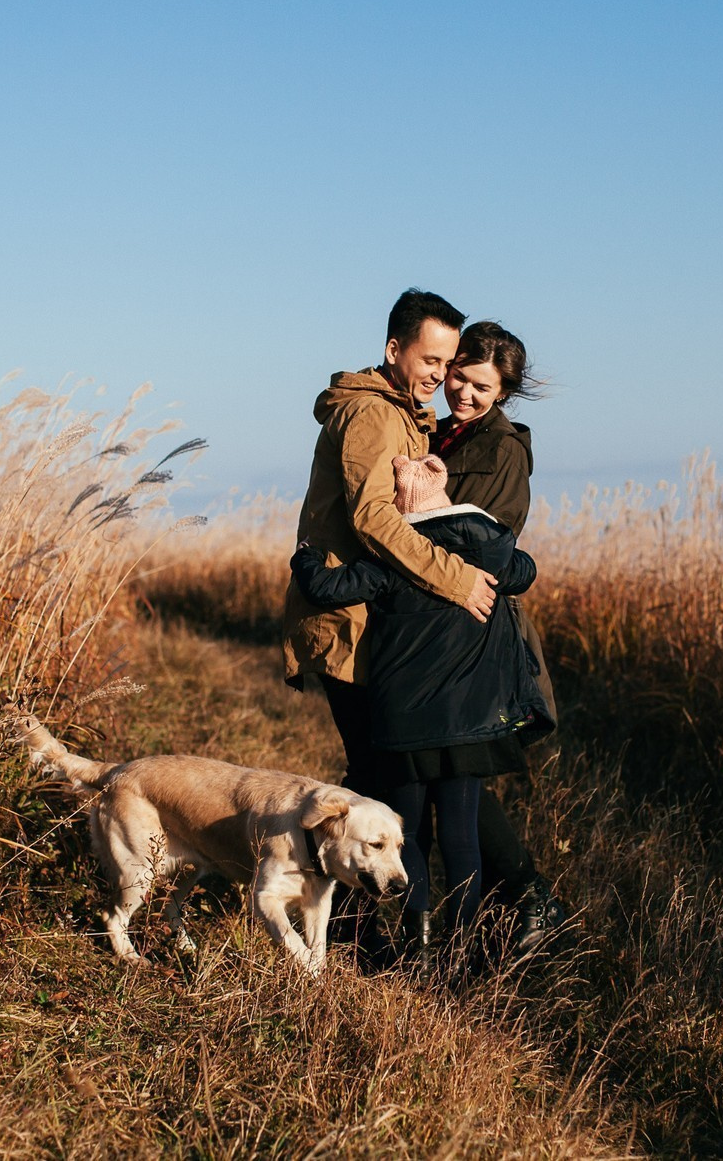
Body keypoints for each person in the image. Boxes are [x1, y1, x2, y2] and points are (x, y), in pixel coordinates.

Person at [282, 290, 497, 955]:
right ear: (394, 349)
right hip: (345, 620)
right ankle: (357, 932)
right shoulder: (375, 416)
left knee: (377, 781)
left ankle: (357, 928)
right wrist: (457, 577)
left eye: (446, 360)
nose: (437, 372)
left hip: (371, 623)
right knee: (374, 783)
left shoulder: (408, 413)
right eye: (428, 357)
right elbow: (376, 519)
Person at [290, 454, 549, 946]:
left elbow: (324, 588)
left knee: (408, 837)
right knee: (461, 836)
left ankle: (420, 945)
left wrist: (306, 550)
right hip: (470, 722)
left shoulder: (396, 558)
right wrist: (491, 544)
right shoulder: (488, 552)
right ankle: (462, 949)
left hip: (404, 724)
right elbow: (526, 571)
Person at [432, 320, 568, 949]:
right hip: (436, 619)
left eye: (483, 386)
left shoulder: (502, 449)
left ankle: (527, 896)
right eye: (461, 375)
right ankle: (507, 900)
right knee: (440, 770)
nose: (465, 391)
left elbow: (489, 539)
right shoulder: (443, 432)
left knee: (449, 769)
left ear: (503, 394)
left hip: (471, 621)